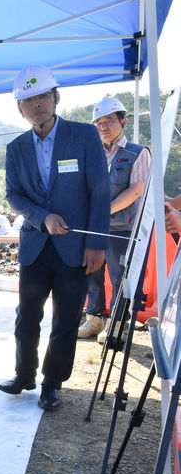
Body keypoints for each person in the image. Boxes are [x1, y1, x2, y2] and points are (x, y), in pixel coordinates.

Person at [0, 65, 110, 411]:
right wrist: (42, 217)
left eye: (41, 97)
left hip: (75, 249)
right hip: (35, 246)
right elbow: (13, 195)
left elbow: (100, 190)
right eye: (27, 100)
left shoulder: (83, 136)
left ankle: (52, 382)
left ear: (55, 97)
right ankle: (25, 374)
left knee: (65, 320)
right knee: (27, 316)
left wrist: (96, 244)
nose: (35, 105)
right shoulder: (16, 148)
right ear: (20, 108)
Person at [77, 98, 150, 343]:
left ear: (123, 121)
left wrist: (103, 211)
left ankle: (117, 323)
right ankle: (94, 319)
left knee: (120, 276)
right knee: (92, 271)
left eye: (109, 120)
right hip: (94, 227)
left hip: (123, 227)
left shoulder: (138, 153)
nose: (103, 126)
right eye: (98, 122)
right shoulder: (93, 154)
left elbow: (136, 191)